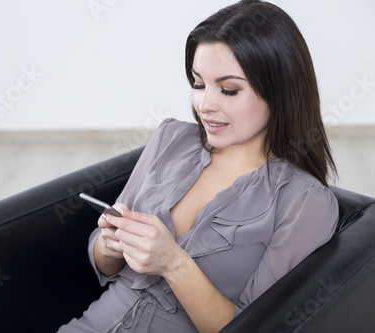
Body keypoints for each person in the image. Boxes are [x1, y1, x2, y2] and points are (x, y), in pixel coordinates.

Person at [58, 0, 339, 332]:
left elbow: (255, 326)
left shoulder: (304, 202)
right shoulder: (171, 139)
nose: (205, 105)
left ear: (281, 91)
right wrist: (109, 245)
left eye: (229, 90)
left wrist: (175, 264)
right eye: (198, 84)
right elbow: (103, 264)